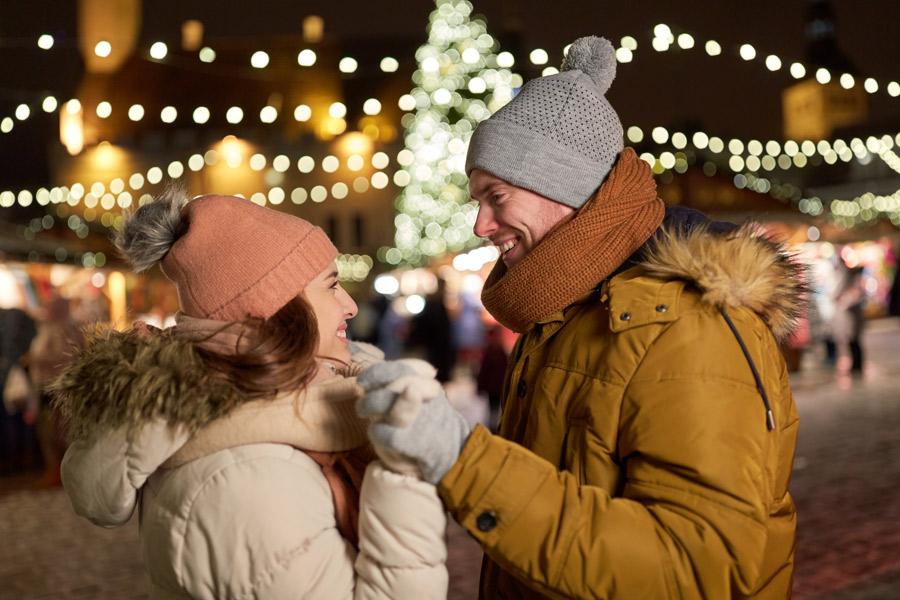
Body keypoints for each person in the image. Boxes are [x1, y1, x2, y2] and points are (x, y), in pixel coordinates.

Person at [357, 36, 802, 599]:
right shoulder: (566, 315)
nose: (480, 225)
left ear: (563, 186)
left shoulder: (688, 329)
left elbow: (693, 568)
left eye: (495, 196)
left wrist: (464, 460)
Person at [53, 189, 448, 599]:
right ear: (274, 311)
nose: (349, 305)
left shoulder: (293, 422)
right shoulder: (247, 475)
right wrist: (402, 475)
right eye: (332, 286)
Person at [28, 295, 83, 486]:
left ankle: (59, 472)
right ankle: (54, 470)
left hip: (58, 387)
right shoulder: (51, 328)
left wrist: (36, 359)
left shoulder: (65, 330)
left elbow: (63, 357)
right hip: (48, 386)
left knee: (56, 431)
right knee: (50, 430)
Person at [831, 261, 866, 373]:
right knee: (852, 341)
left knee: (854, 341)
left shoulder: (855, 283)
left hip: (854, 319)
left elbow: (854, 298)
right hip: (852, 319)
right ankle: (856, 365)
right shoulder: (853, 281)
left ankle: (857, 365)